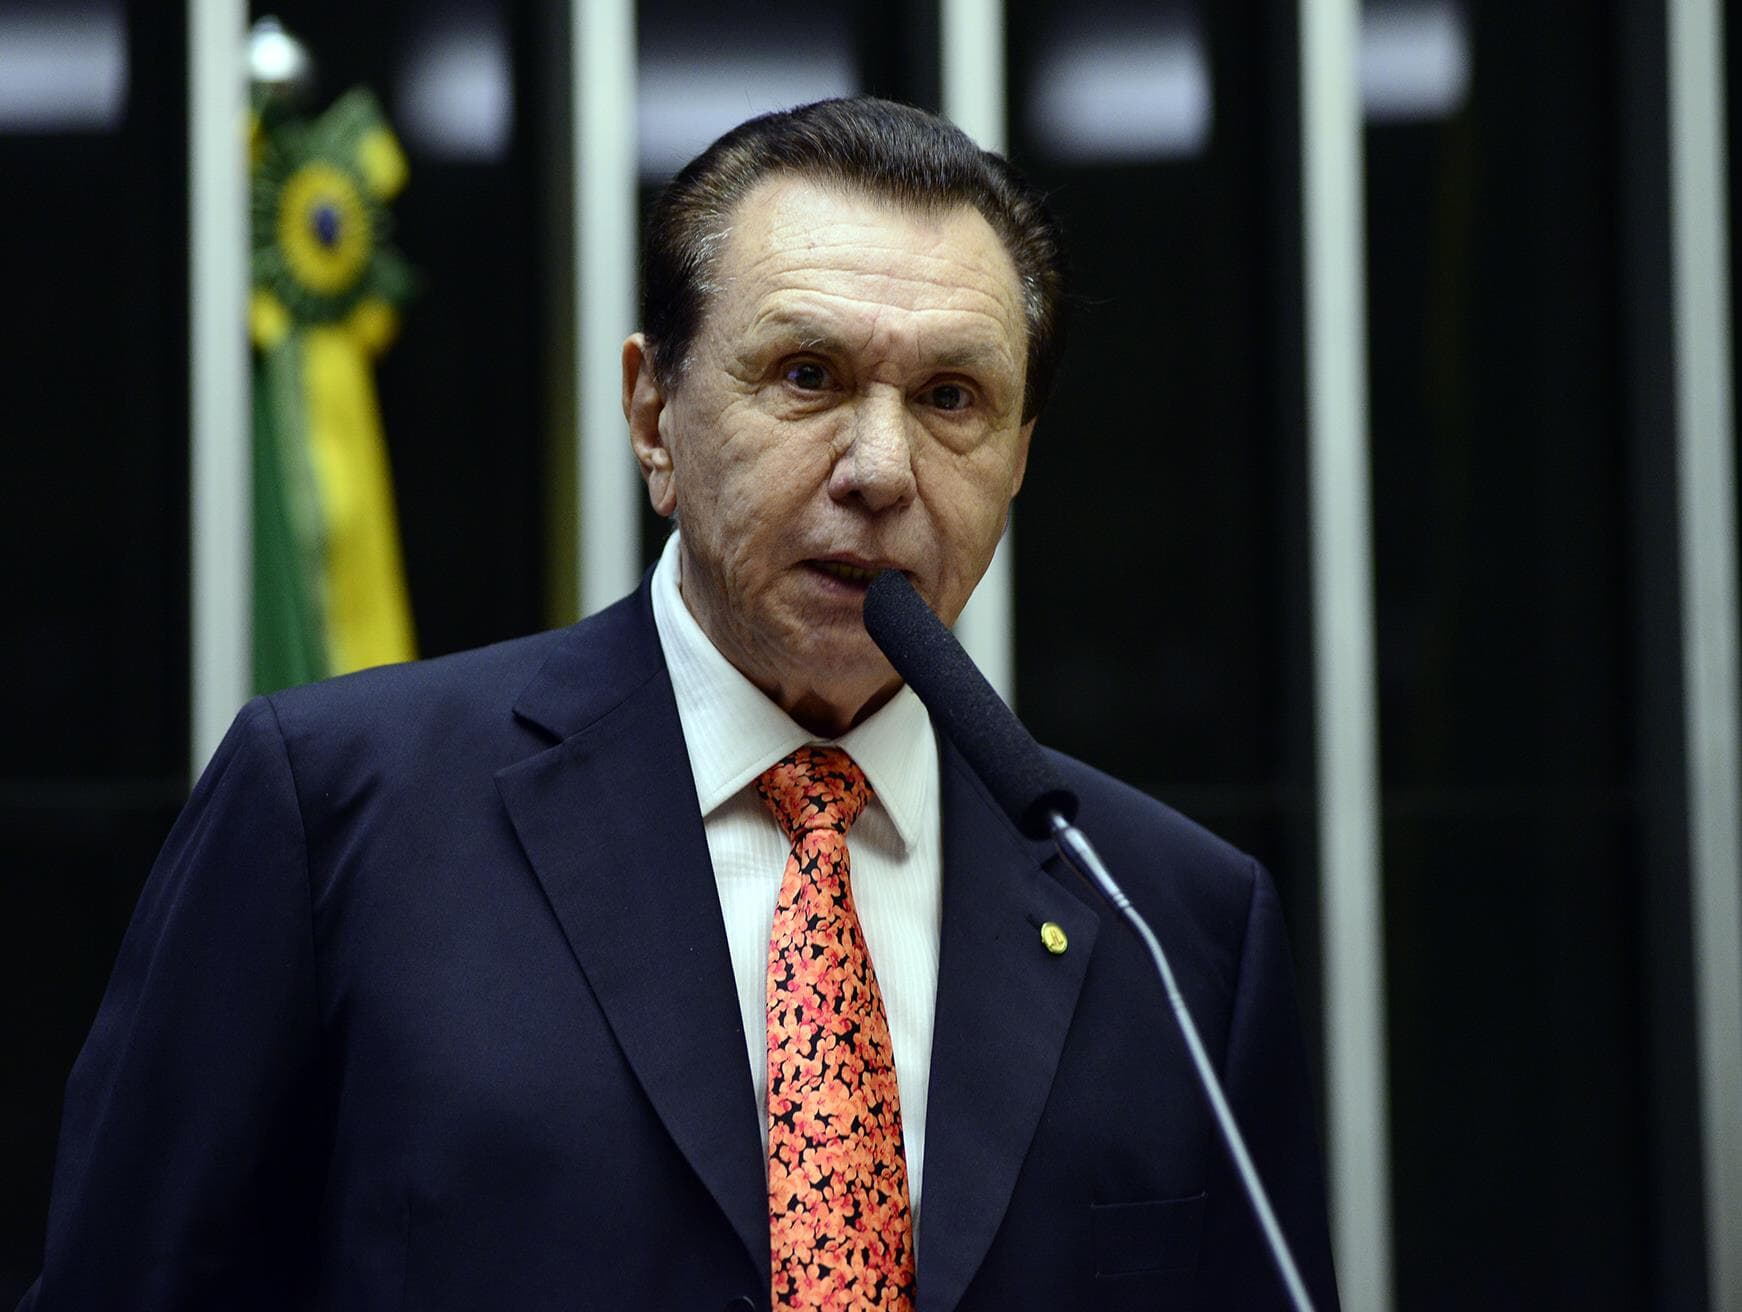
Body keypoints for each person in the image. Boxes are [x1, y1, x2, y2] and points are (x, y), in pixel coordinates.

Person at [22, 98, 1338, 1311]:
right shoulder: (339, 815)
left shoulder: (1172, 924)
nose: (881, 469)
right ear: (653, 412)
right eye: (808, 375)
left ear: (1019, 458)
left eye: (951, 400)